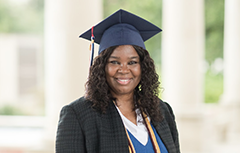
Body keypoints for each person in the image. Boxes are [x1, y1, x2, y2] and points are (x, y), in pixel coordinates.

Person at [56, 9, 180, 153]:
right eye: (114, 62)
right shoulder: (78, 115)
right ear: (102, 67)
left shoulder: (162, 110)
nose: (124, 70)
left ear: (143, 67)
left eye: (132, 62)